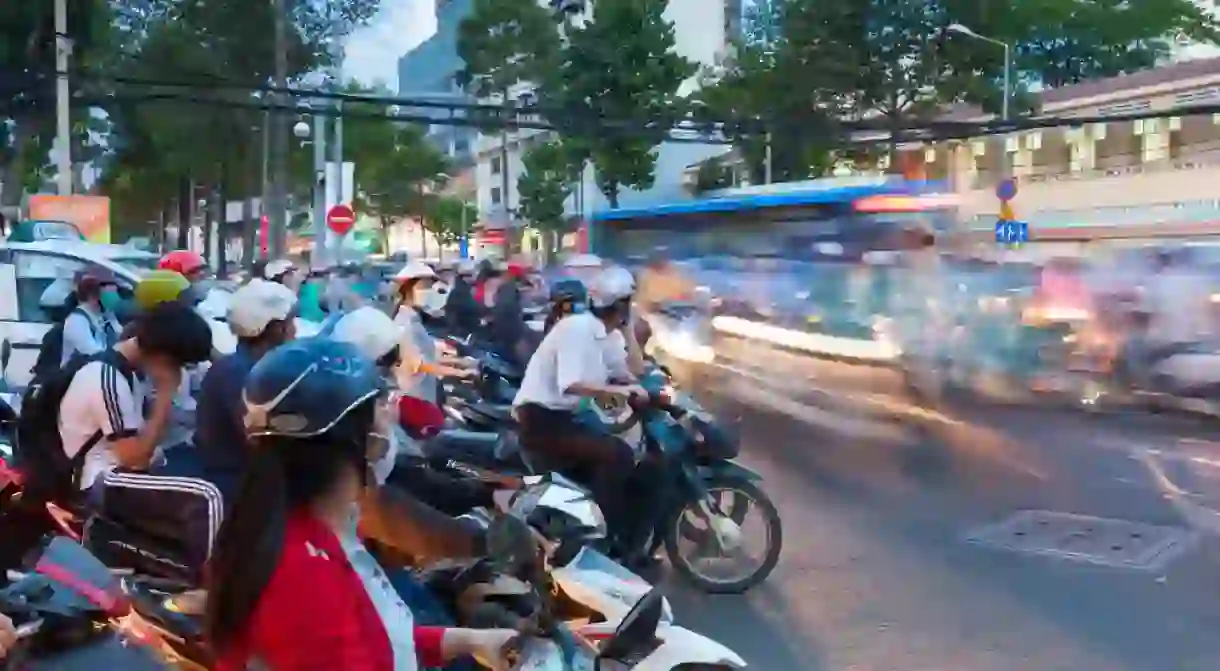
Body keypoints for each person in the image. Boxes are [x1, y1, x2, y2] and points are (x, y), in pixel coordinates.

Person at [204, 338, 516, 670]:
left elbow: (371, 642)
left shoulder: (321, 527)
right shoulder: (304, 574)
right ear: (357, 436)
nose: (391, 417)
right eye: (381, 406)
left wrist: (468, 641)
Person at [513, 266, 649, 558]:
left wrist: (628, 330)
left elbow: (633, 371)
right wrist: (619, 393)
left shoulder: (606, 334)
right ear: (620, 304)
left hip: (563, 418)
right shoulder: (577, 329)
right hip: (540, 420)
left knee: (620, 450)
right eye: (629, 303)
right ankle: (598, 540)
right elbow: (571, 383)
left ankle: (613, 533)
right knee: (618, 455)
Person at [58, 302, 213, 491]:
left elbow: (146, 440)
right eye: (179, 364)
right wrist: (165, 394)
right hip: (98, 485)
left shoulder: (129, 373)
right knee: (204, 492)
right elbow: (135, 460)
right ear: (163, 357)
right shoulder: (107, 379)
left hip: (118, 476)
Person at [186, 279, 299, 499]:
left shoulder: (252, 367)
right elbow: (260, 440)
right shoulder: (240, 373)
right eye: (290, 322)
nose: (294, 330)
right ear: (275, 327)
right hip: (236, 491)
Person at [391, 262, 477, 404]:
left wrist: (461, 363)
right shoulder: (404, 324)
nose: (430, 291)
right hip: (416, 399)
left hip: (427, 395)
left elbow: (429, 355)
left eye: (430, 287)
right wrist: (459, 372)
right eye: (424, 286)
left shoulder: (414, 320)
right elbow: (420, 364)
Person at [61, 267, 123, 366]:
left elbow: (121, 336)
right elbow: (90, 351)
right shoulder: (77, 319)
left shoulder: (107, 315)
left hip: (105, 372)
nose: (114, 293)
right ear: (94, 295)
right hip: (82, 375)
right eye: (110, 289)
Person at [487, 263, 531, 366]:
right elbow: (505, 308)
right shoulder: (508, 288)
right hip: (511, 331)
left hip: (504, 329)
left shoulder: (506, 288)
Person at [445, 260, 482, 336]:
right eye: (473, 274)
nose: (476, 276)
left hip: (459, 330)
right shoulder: (461, 292)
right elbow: (469, 309)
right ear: (465, 277)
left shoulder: (462, 289)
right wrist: (480, 321)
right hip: (463, 332)